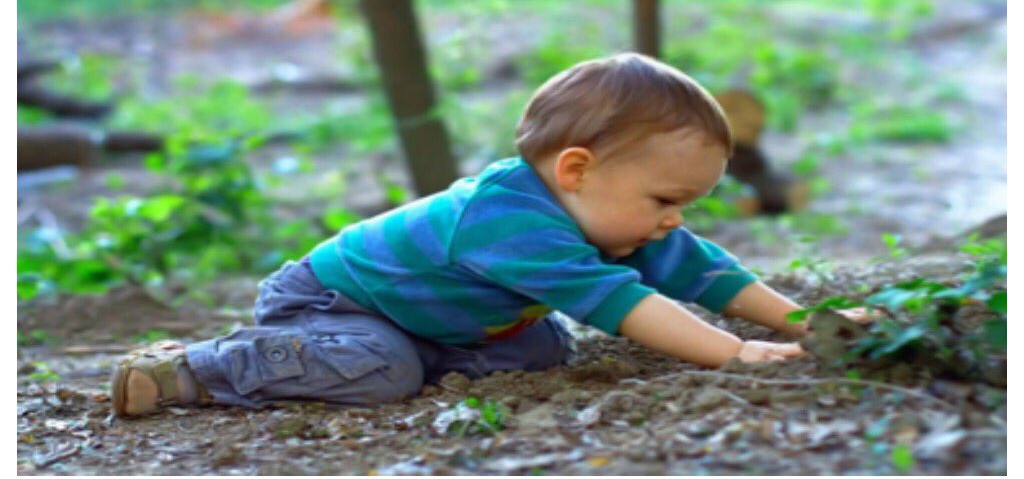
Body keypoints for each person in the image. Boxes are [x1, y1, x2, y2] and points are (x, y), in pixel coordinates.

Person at [111, 53, 870, 417]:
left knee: (542, 348)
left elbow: (703, 272)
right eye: (667, 197)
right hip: (337, 303)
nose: (676, 219)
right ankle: (197, 369)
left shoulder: (620, 213)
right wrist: (736, 352)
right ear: (575, 168)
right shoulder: (511, 217)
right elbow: (618, 301)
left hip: (434, 313)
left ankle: (425, 349)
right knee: (383, 373)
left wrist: (803, 324)